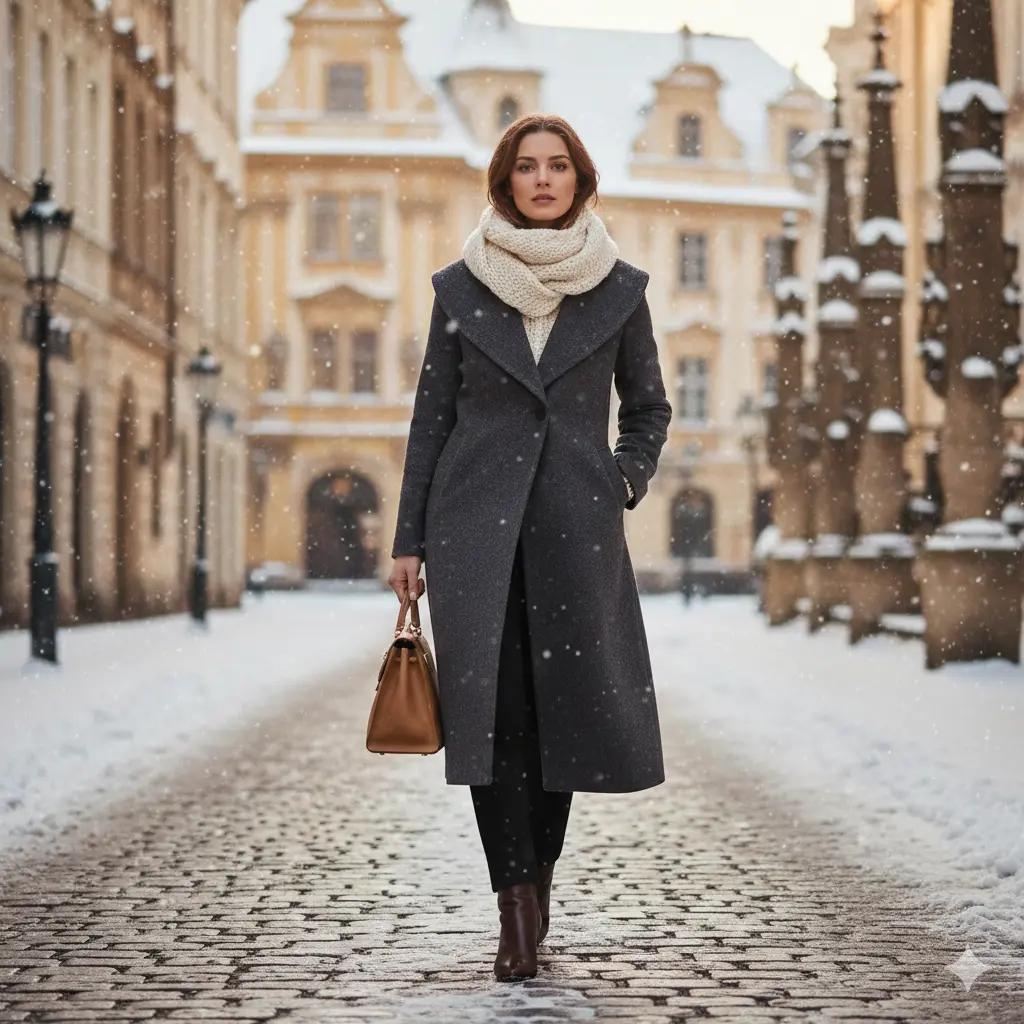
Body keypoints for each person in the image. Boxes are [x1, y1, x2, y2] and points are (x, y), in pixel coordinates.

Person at [388, 114, 672, 982]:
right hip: (473, 533)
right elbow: (431, 420)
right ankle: (515, 907)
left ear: (579, 181)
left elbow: (650, 408)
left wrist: (620, 478)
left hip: (575, 534)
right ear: (503, 182)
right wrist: (409, 538)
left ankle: (536, 882)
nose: (541, 180)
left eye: (557, 167)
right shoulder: (459, 287)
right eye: (525, 167)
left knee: (563, 721)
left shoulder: (619, 289)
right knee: (494, 721)